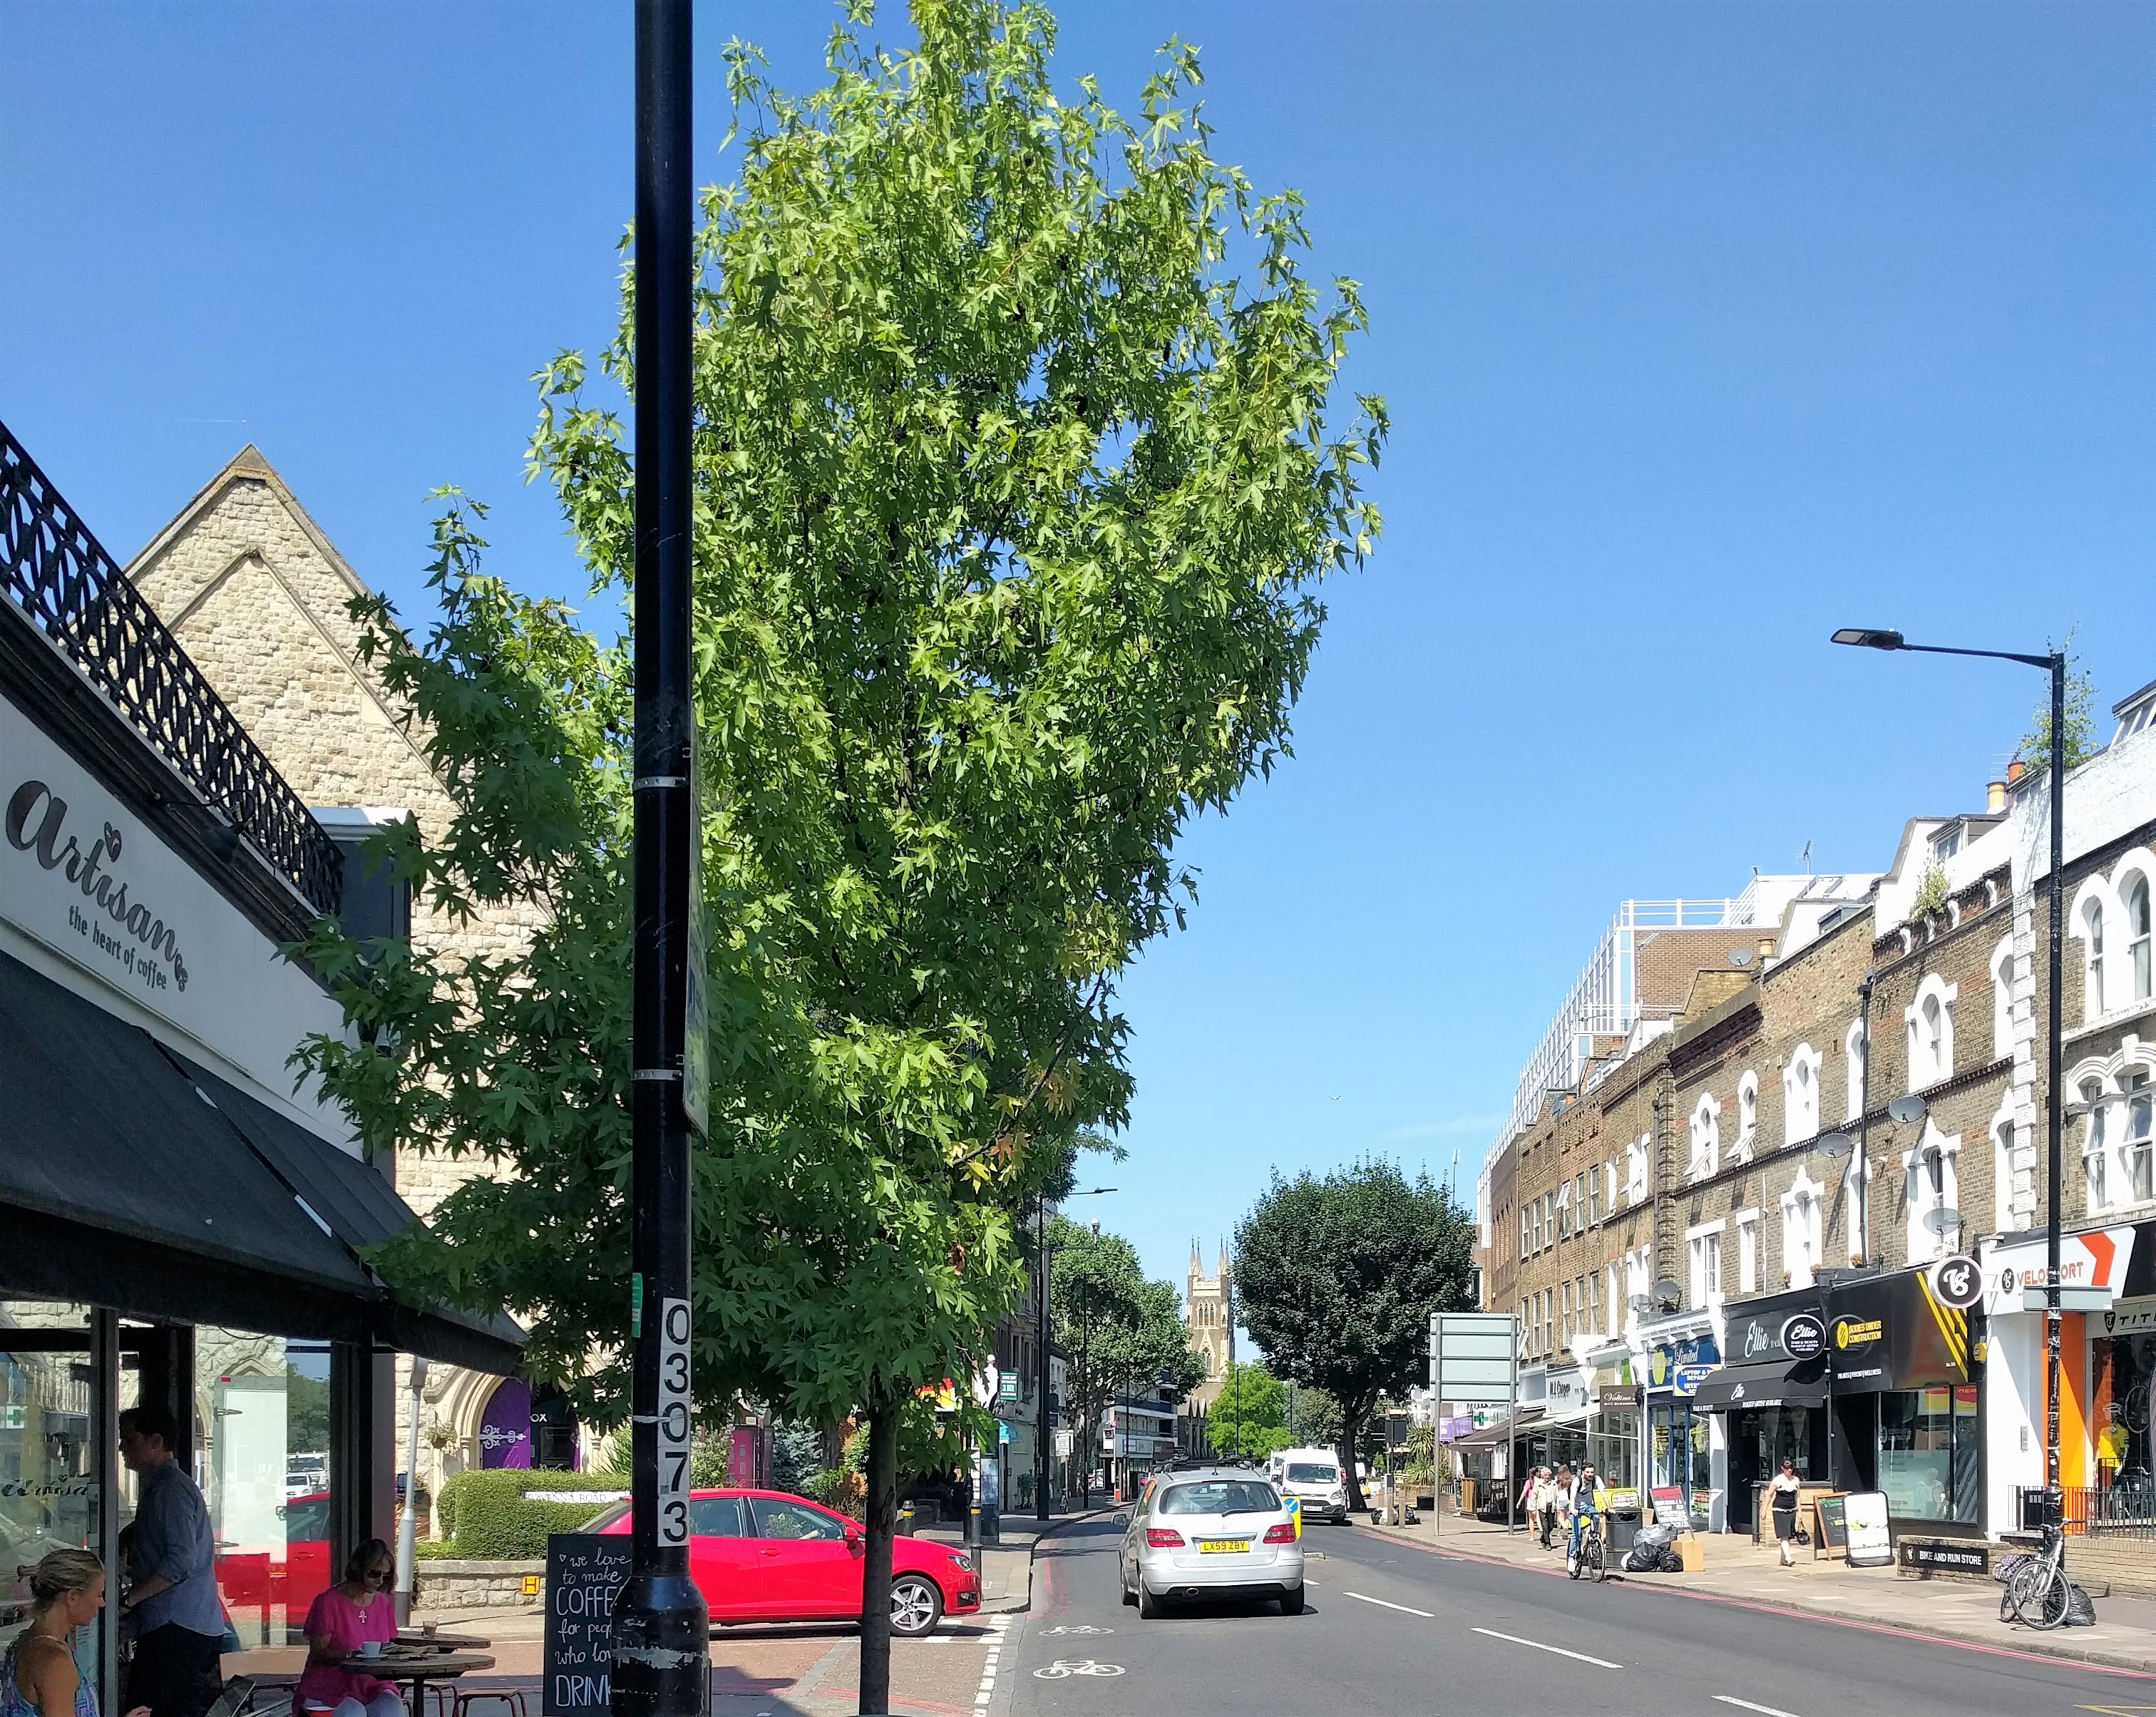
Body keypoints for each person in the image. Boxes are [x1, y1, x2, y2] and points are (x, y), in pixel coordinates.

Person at [116, 1408, 222, 1717]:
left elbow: (180, 1562)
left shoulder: (171, 1489)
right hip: (174, 1626)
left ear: (156, 1442)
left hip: (178, 1628)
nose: (122, 1447)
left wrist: (129, 1601)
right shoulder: (160, 1488)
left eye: (130, 1440)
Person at [3, 1548, 152, 1717]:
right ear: (72, 1597)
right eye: (99, 1595)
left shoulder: (24, 1642)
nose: (102, 1603)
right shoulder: (54, 1662)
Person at [296, 1540, 404, 1717]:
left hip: (372, 1684)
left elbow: (388, 1647)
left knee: (392, 1708)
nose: (380, 1581)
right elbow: (318, 1653)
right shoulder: (328, 1602)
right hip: (329, 1684)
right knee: (353, 1712)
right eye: (375, 1574)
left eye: (386, 1576)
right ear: (357, 1568)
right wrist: (350, 1655)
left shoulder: (383, 1604)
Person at [1566, 1460, 1604, 1572]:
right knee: (1576, 1534)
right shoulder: (1577, 1481)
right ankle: (1572, 1558)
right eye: (1588, 1472)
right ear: (1583, 1472)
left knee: (1596, 1516)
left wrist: (1609, 1507)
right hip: (1575, 1508)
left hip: (1588, 1506)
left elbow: (1603, 1493)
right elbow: (1572, 1496)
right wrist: (1573, 1509)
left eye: (1592, 1472)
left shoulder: (1596, 1479)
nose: (1590, 1474)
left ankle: (1593, 1539)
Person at [1770, 1456, 1803, 1567]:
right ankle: (1789, 1558)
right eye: (1786, 1468)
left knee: (1788, 1536)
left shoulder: (1796, 1480)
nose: (1789, 1470)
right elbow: (1769, 1496)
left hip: (1792, 1510)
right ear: (1782, 1468)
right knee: (1784, 1535)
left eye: (1791, 1468)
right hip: (1779, 1511)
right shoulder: (1777, 1480)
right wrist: (1764, 1511)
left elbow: (1797, 1497)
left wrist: (1800, 1512)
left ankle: (1782, 1560)